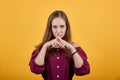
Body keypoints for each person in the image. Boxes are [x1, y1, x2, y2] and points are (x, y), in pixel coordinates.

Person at [29, 10, 90, 80]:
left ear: (66, 28)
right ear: (50, 28)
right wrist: (45, 46)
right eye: (55, 27)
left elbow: (83, 70)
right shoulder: (43, 48)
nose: (58, 30)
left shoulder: (74, 47)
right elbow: (36, 70)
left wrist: (71, 48)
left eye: (62, 26)